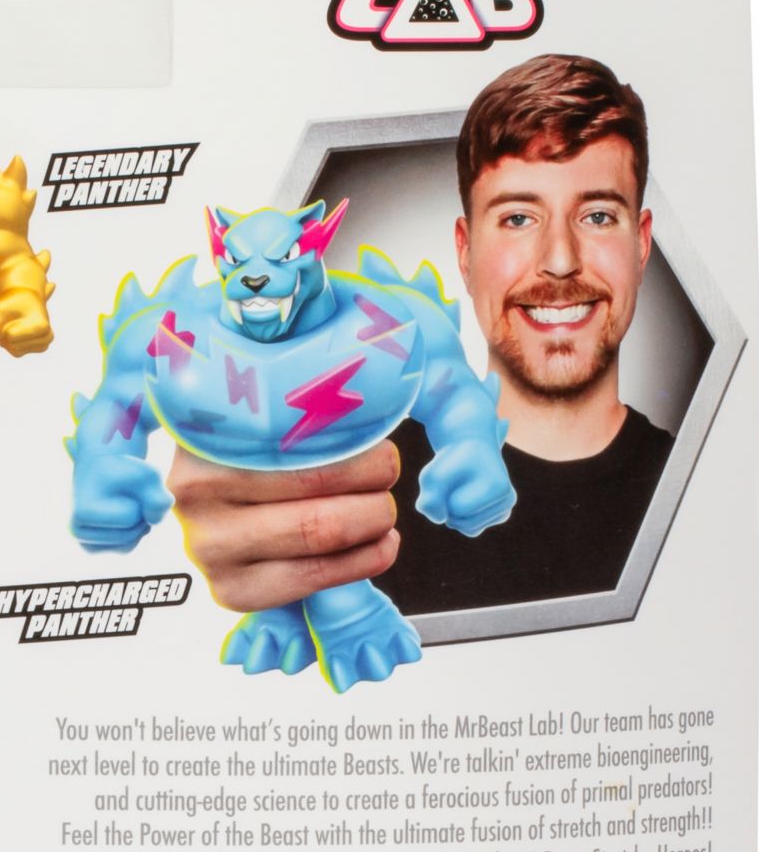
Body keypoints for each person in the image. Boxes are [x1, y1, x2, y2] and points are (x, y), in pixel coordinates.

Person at [170, 54, 674, 617]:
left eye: (598, 216)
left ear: (641, 243)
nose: (560, 261)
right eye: (518, 218)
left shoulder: (700, 481)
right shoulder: (353, 479)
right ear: (465, 251)